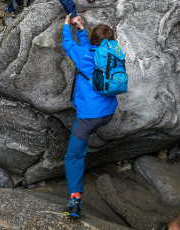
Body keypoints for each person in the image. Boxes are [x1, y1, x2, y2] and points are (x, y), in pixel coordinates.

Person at [62, 15, 118, 219]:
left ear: (94, 41)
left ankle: (75, 201)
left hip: (89, 117)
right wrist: (81, 29)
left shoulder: (83, 54)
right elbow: (92, 50)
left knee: (74, 156)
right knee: (81, 146)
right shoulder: (112, 56)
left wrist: (67, 25)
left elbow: (68, 44)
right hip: (108, 112)